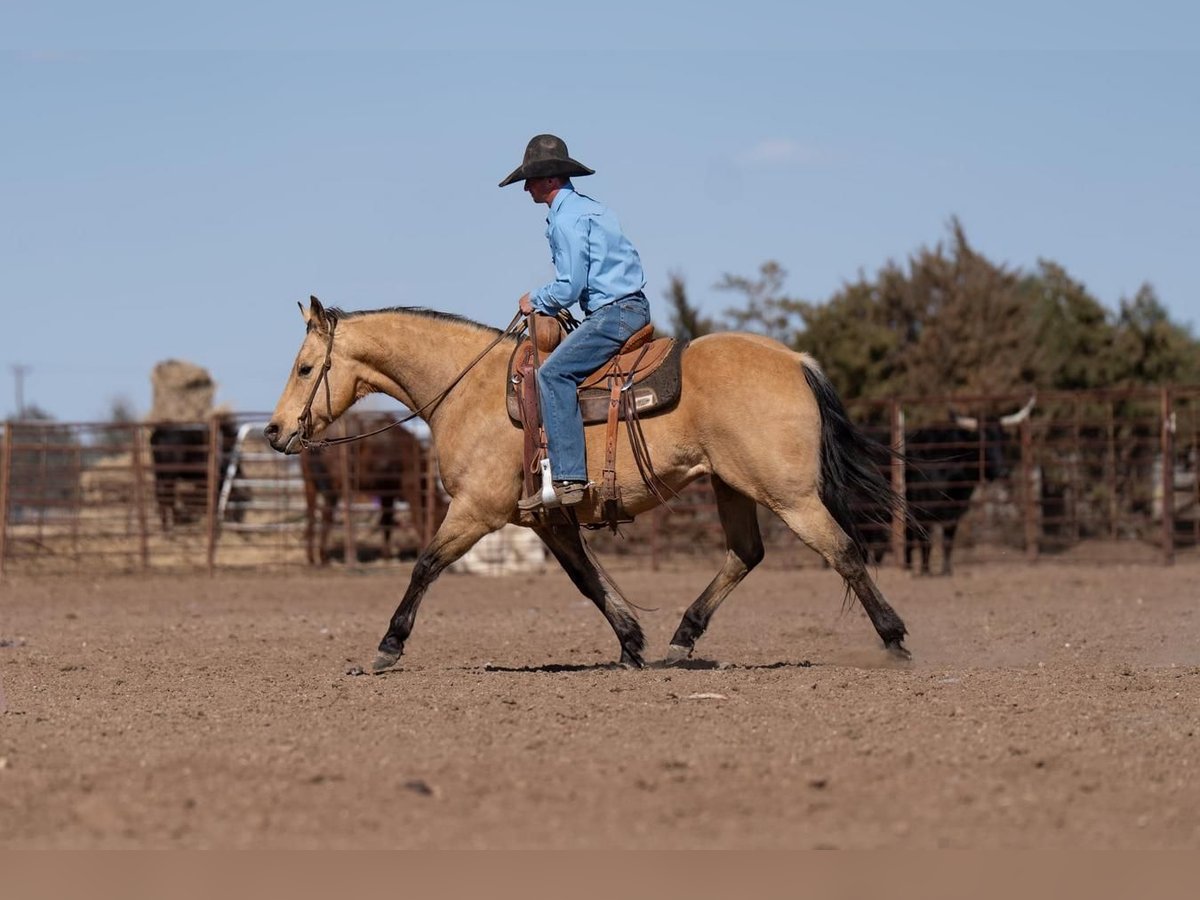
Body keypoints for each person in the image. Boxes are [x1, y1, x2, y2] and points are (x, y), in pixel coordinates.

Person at [500, 134, 652, 510]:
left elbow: (570, 286)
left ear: (552, 179)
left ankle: (569, 479)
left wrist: (533, 299)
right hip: (629, 305)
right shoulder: (592, 209)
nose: (526, 188)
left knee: (552, 375)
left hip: (614, 313)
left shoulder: (566, 220)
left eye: (532, 179)